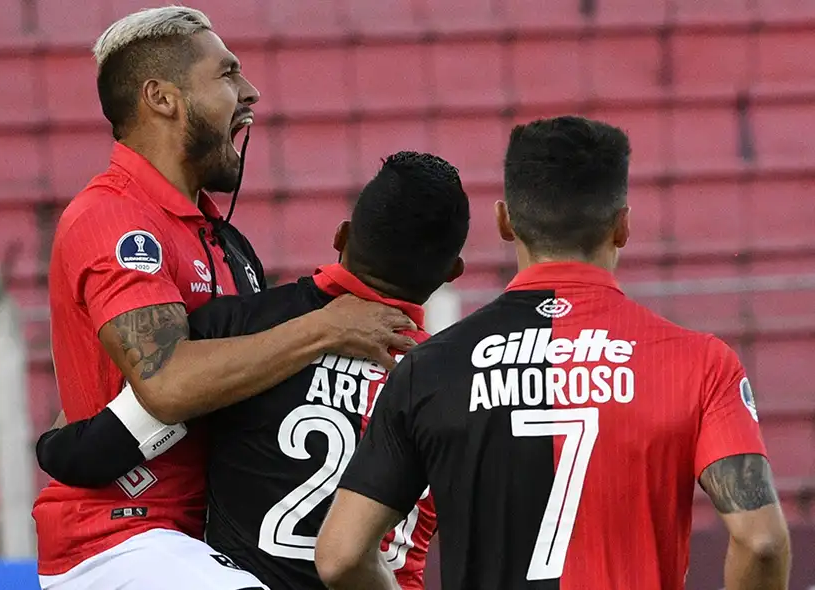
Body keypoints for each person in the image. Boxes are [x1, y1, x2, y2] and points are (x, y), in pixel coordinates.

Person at [315, 116, 792, 590]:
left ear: (504, 221)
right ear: (622, 225)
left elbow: (342, 557)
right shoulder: (699, 363)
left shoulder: (430, 369)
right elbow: (762, 542)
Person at [33, 7, 418, 590]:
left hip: (202, 543)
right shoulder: (113, 218)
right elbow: (166, 383)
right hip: (119, 538)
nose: (250, 91)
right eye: (227, 74)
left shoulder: (219, 238)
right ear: (162, 98)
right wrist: (326, 327)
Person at [36, 151, 471, 590]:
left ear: (341, 236)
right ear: (452, 272)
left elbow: (89, 454)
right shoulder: (459, 388)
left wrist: (52, 443)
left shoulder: (240, 335)